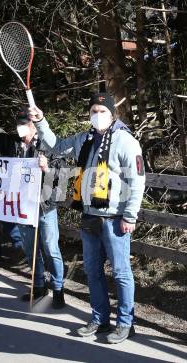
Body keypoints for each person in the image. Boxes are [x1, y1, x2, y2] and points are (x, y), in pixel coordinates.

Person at [32, 92, 145, 344]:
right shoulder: (86, 138)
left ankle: (126, 323)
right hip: (89, 216)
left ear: (112, 114)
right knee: (92, 271)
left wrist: (130, 215)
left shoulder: (125, 141)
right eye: (94, 110)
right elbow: (56, 145)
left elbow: (137, 182)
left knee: (121, 273)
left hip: (115, 218)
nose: (97, 115)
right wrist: (41, 122)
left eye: (102, 111)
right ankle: (100, 318)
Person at [0, 105, 66, 308]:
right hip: (22, 206)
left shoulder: (48, 144)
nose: (20, 128)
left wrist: (47, 167)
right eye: (18, 124)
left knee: (50, 248)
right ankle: (38, 285)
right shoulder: (12, 144)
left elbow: (62, 173)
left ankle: (58, 288)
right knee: (30, 248)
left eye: (24, 124)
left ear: (34, 126)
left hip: (44, 205)